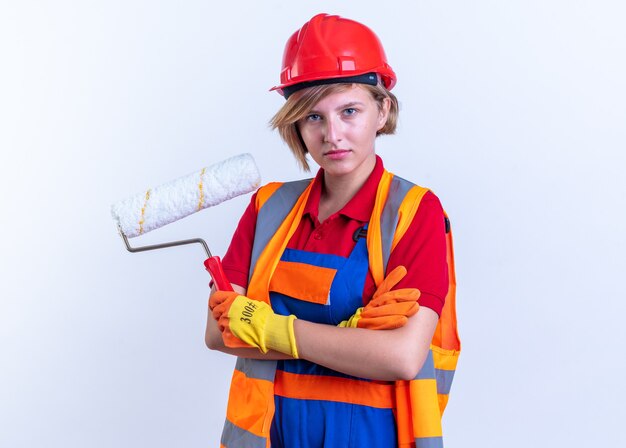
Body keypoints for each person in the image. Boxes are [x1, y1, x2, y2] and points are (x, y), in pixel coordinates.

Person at [205, 13, 459, 448]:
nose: (332, 135)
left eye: (349, 111)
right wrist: (353, 339)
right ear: (297, 127)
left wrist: (268, 328)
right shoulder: (269, 207)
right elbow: (218, 333)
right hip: (271, 436)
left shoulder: (415, 213)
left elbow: (400, 356)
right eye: (314, 118)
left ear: (383, 110)